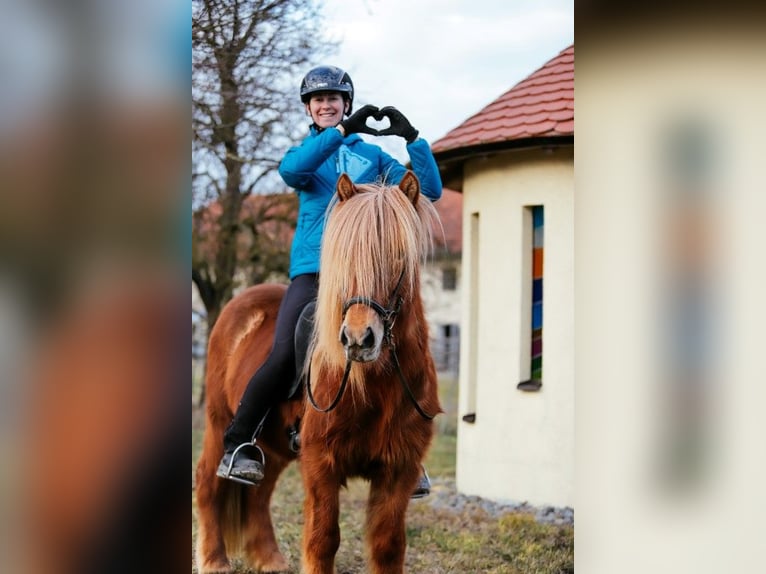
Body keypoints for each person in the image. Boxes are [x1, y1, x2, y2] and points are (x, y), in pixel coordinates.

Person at [217, 65, 442, 498]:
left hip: (362, 272)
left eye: (334, 99)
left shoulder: (373, 158)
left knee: (400, 345)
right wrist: (337, 135)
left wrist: (413, 139)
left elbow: (427, 190)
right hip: (315, 271)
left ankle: (408, 453)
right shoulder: (308, 154)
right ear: (309, 108)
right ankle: (240, 443)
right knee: (287, 349)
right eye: (318, 100)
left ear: (346, 104)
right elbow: (291, 172)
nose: (326, 104)